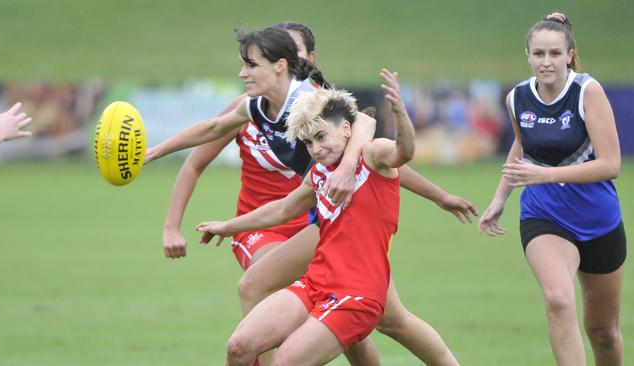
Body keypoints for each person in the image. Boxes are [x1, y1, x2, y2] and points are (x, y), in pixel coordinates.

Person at [149, 24, 473, 365]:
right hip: (315, 220)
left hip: (335, 223)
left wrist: (353, 167)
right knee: (373, 321)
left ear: (285, 64)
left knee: (374, 317)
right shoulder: (258, 107)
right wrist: (156, 152)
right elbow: (214, 132)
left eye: (251, 64)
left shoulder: (311, 100)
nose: (242, 72)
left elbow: (367, 130)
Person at [197, 68, 416, 365]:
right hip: (316, 283)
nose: (316, 148)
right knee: (240, 347)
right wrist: (227, 226)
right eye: (310, 142)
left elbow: (404, 151)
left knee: (286, 361)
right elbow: (282, 209)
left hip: (357, 295)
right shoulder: (320, 173)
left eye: (322, 136)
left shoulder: (373, 155)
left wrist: (400, 112)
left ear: (347, 130)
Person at [478, 12, 626, 366]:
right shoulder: (517, 98)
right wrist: (500, 198)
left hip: (598, 218)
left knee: (603, 331)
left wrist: (546, 175)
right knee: (558, 298)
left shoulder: (587, 92)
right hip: (543, 213)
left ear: (570, 54)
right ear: (527, 55)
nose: (547, 62)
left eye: (555, 54)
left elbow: (611, 165)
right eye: (539, 54)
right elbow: (521, 146)